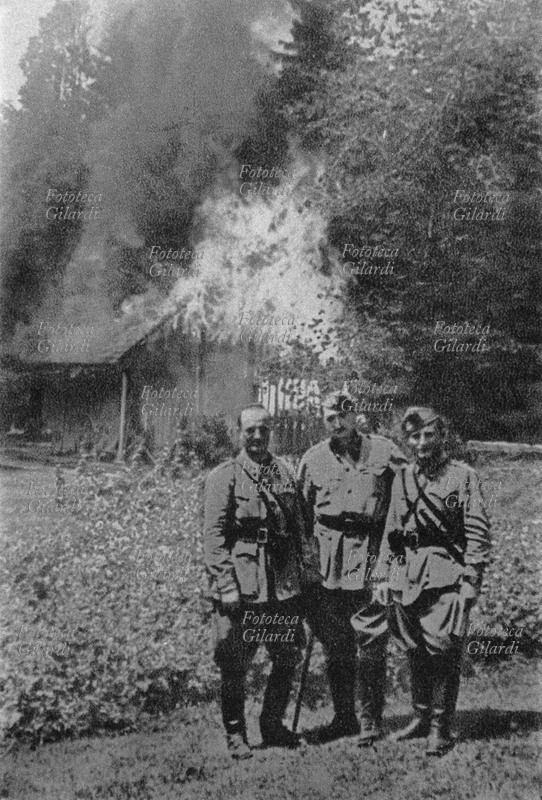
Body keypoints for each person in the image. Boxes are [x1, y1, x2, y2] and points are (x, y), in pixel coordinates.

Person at [203, 404, 318, 759]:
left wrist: (307, 572)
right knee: (235, 661)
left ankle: (271, 724)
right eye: (250, 430)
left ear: (271, 432)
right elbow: (214, 535)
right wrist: (225, 584)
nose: (257, 436)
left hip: (281, 583)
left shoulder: (284, 471)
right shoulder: (225, 476)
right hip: (244, 582)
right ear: (239, 433)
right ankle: (236, 734)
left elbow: (298, 526)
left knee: (286, 654)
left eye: (263, 429)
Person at [374, 407, 491, 755]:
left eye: (428, 435)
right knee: (416, 650)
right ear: (407, 441)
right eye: (414, 437)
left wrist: (472, 578)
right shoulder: (403, 478)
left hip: (446, 576)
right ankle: (421, 718)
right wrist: (383, 575)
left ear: (441, 436)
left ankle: (441, 727)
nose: (422, 443)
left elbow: (477, 531)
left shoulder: (463, 476)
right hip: (408, 576)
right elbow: (392, 531)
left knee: (442, 651)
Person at [297, 391, 407, 744]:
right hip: (328, 560)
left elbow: (407, 500)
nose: (338, 421)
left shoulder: (384, 451)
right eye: (331, 416)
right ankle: (344, 717)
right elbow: (300, 515)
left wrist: (392, 562)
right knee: (336, 640)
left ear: (356, 414)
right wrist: (307, 563)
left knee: (372, 637)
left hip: (372, 552)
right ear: (323, 418)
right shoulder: (312, 459)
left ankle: (371, 720)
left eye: (345, 414)